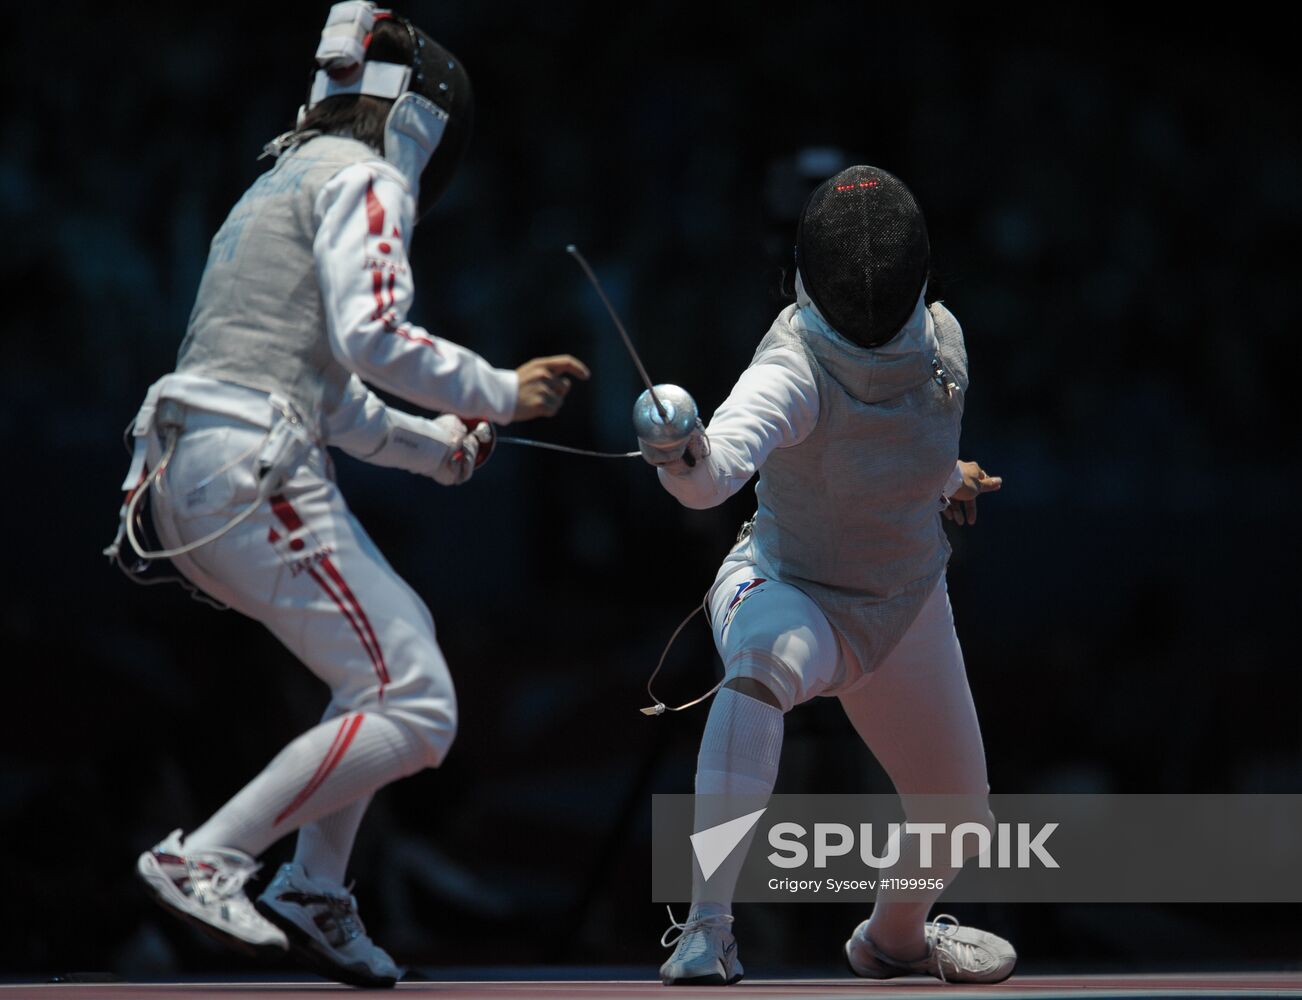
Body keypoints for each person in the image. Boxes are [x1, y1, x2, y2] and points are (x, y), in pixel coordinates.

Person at [108, 3, 588, 988]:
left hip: (190, 475)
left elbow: (328, 392)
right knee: (420, 703)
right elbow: (374, 338)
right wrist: (501, 389)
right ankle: (210, 854)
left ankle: (315, 887)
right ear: (422, 122)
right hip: (251, 472)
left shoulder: (280, 183)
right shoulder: (367, 181)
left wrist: (440, 449)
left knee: (382, 668)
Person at [641, 164, 1014, 986]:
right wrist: (682, 454)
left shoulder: (943, 343)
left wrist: (949, 479)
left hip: (906, 602)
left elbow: (889, 448)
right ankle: (707, 928)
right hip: (791, 587)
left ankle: (893, 940)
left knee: (959, 818)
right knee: (760, 669)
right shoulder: (794, 366)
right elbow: (713, 479)